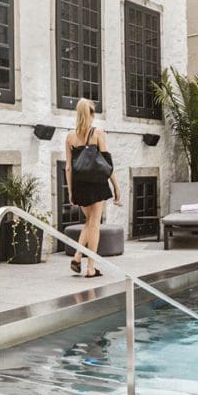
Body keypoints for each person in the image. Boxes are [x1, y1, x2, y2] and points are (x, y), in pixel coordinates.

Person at [66, 98, 121, 277]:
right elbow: (106, 165)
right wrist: (116, 187)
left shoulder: (70, 136)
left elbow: (68, 167)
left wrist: (70, 191)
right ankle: (90, 267)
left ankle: (77, 256)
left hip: (80, 185)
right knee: (95, 224)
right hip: (97, 184)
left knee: (89, 223)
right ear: (90, 114)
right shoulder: (97, 133)